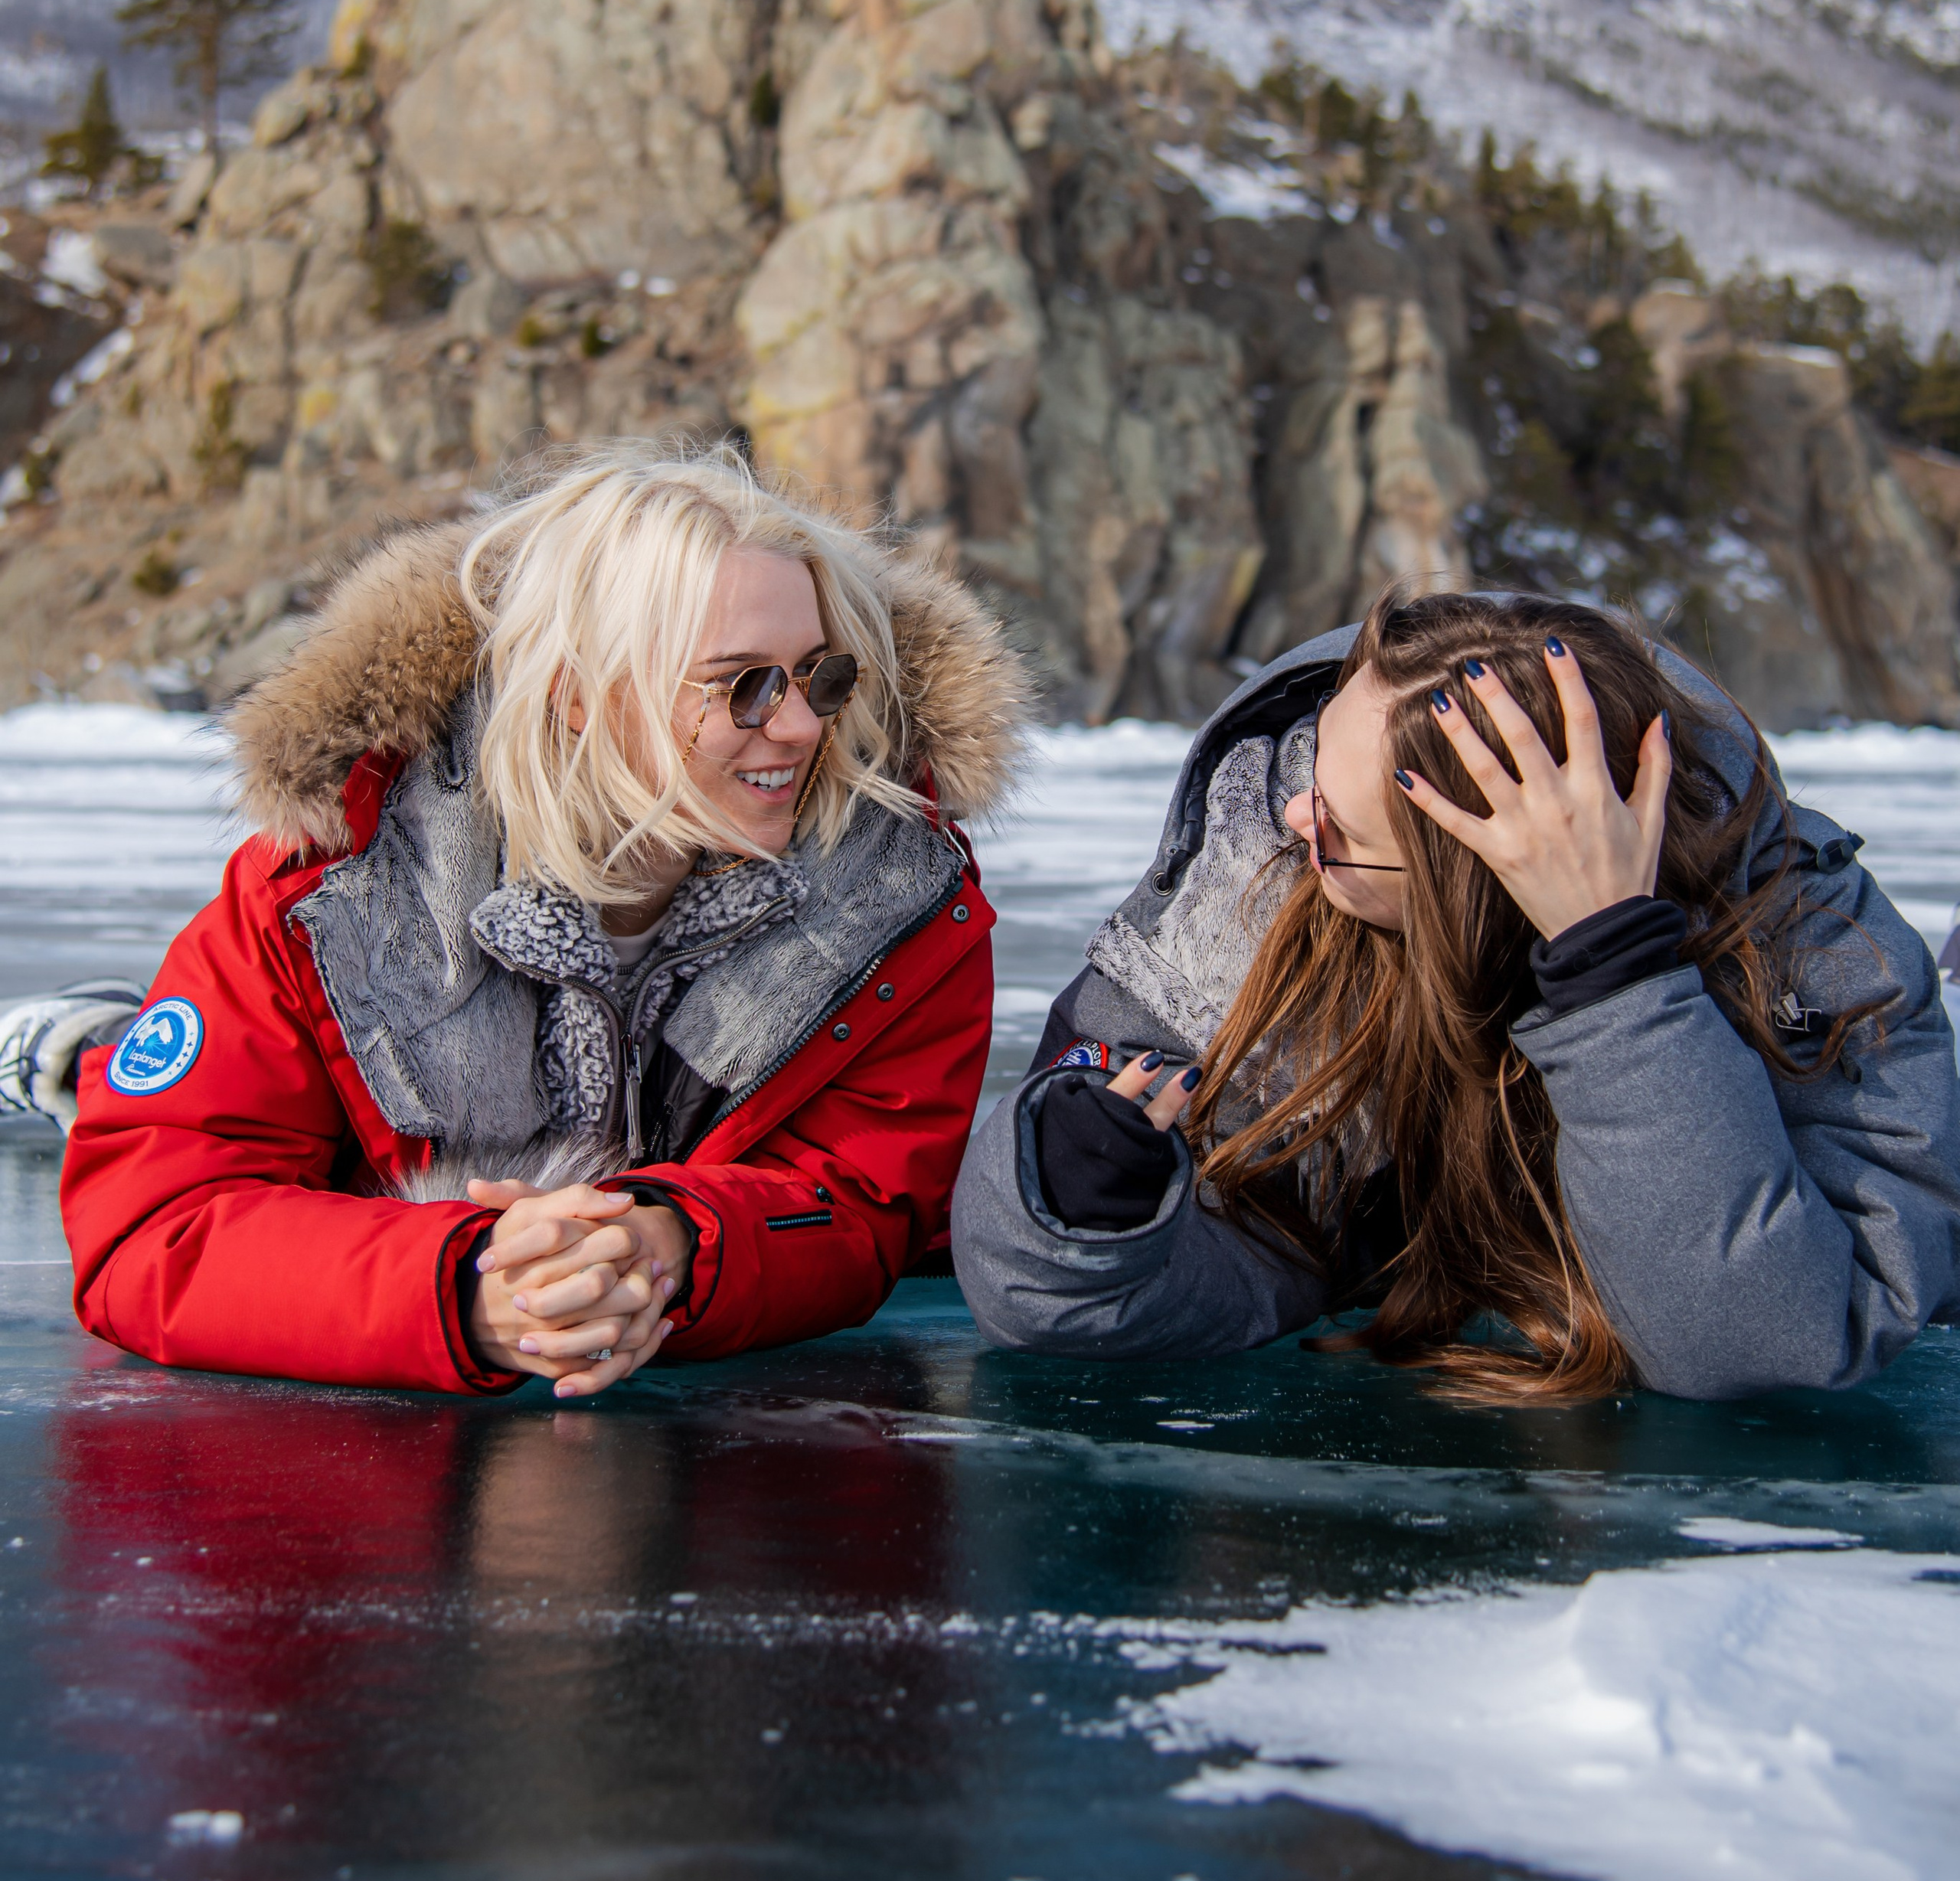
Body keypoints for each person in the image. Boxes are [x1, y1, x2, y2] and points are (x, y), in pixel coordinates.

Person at [28, 445, 1024, 1397]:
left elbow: (860, 1196)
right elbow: (159, 1228)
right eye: (745, 686)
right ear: (581, 695)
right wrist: (464, 1290)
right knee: (129, 1077)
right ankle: (86, 1050)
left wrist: (669, 1242)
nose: (804, 726)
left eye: (822, 675)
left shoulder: (899, 902)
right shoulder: (330, 891)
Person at [952, 589, 1960, 1402]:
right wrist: (1080, 1213)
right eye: (1311, 760)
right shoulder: (1251, 893)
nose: (1293, 815)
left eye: (1336, 827)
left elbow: (1764, 1346)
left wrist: (1616, 974)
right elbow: (1210, 1268)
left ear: (1464, 888)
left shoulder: (1808, 943)